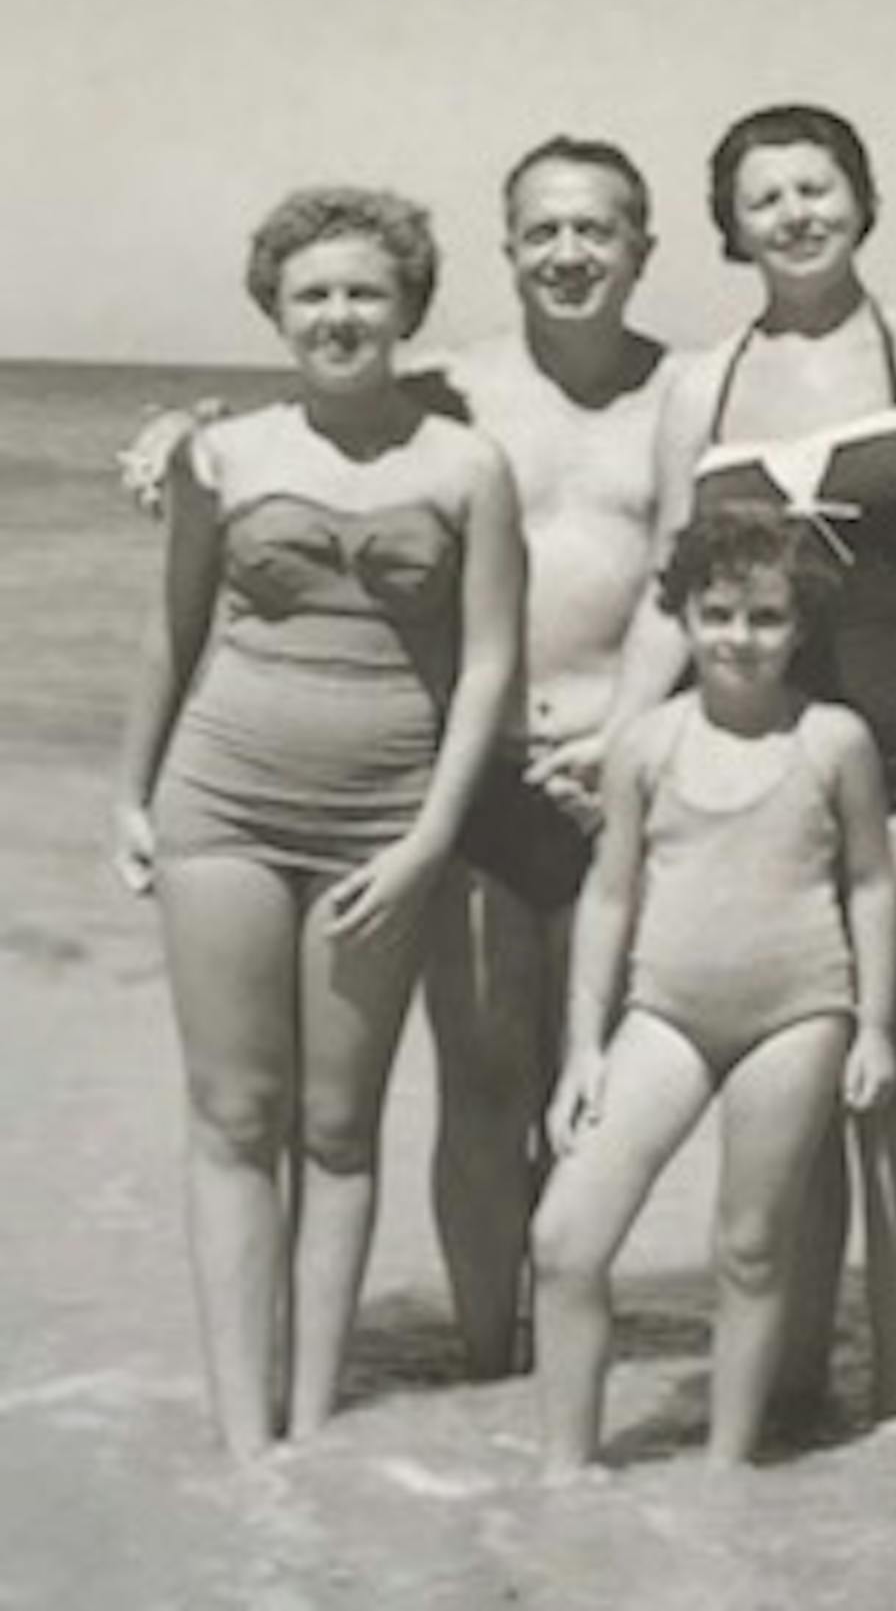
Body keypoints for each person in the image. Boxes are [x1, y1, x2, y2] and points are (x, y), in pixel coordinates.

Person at [117, 138, 678, 1379]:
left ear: (644, 244)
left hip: (625, 769)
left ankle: (572, 1372)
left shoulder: (692, 392)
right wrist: (179, 423)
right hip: (468, 778)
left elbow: (788, 473)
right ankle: (492, 1373)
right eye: (541, 229)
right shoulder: (448, 386)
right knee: (481, 1085)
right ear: (507, 247)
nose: (568, 251)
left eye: (596, 228)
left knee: (596, 1089)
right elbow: (309, 410)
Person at [558, 103, 896, 1428]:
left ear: (861, 195)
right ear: (729, 225)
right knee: (800, 1061)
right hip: (775, 773)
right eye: (763, 197)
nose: (794, 214)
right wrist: (617, 732)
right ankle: (786, 1390)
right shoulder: (699, 386)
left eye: (816, 186)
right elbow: (677, 579)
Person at [113, 186, 525, 1457]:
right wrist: (130, 794)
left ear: (407, 308)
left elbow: (491, 671)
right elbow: (172, 630)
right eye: (313, 295)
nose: (339, 315)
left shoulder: (466, 464)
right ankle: (247, 1443)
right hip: (222, 803)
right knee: (235, 1115)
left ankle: (311, 1419)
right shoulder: (220, 455)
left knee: (338, 1128)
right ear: (274, 311)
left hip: (386, 825)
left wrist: (425, 840)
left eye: (364, 292)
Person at [531, 505, 896, 1478]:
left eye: (767, 617)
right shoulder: (646, 743)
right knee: (564, 1238)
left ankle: (723, 1475)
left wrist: (876, 1026)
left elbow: (870, 884)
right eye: (719, 612)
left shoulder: (833, 741)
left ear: (802, 627)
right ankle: (564, 1468)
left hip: (799, 1012)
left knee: (748, 1247)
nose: (739, 637)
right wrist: (583, 1046)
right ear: (685, 614)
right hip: (664, 1013)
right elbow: (608, 895)